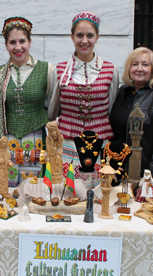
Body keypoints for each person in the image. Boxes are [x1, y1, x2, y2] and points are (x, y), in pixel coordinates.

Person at [48, 11, 119, 188]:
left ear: (97, 37)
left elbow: (112, 108)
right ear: (72, 37)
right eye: (79, 35)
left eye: (90, 35)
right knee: (67, 191)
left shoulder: (110, 70)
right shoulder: (60, 69)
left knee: (98, 192)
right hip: (68, 142)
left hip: (100, 140)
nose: (84, 41)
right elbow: (52, 109)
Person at [0, 16, 55, 186]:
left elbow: (51, 105)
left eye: (22, 41)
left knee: (35, 186)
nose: (18, 47)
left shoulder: (47, 69)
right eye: (12, 42)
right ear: (6, 45)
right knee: (6, 181)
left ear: (29, 42)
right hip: (6, 138)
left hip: (36, 135)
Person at [109, 47, 153, 177]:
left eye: (145, 64)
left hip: (143, 171)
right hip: (116, 168)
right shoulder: (123, 91)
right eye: (135, 64)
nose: (139, 68)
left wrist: (149, 175)